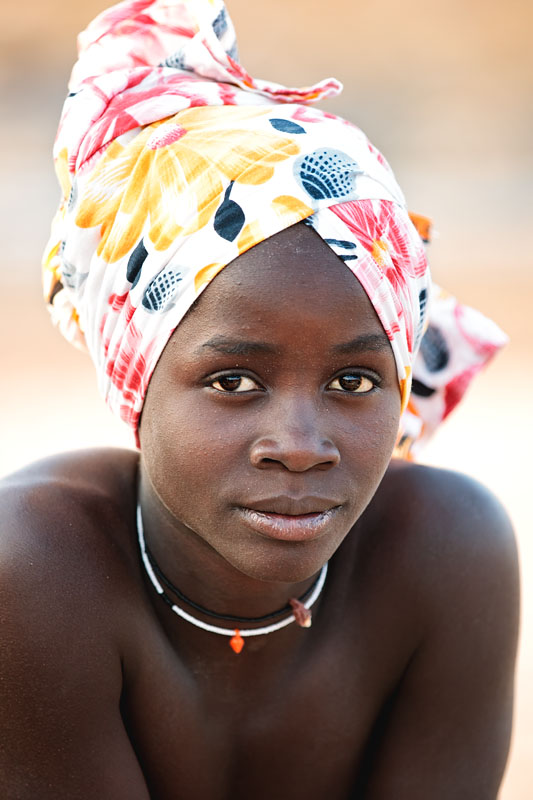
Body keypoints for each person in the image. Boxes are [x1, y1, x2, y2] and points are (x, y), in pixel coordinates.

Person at [0, 1, 519, 797]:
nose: (301, 443)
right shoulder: (33, 572)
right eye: (233, 381)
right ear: (133, 379)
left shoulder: (444, 554)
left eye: (353, 380)